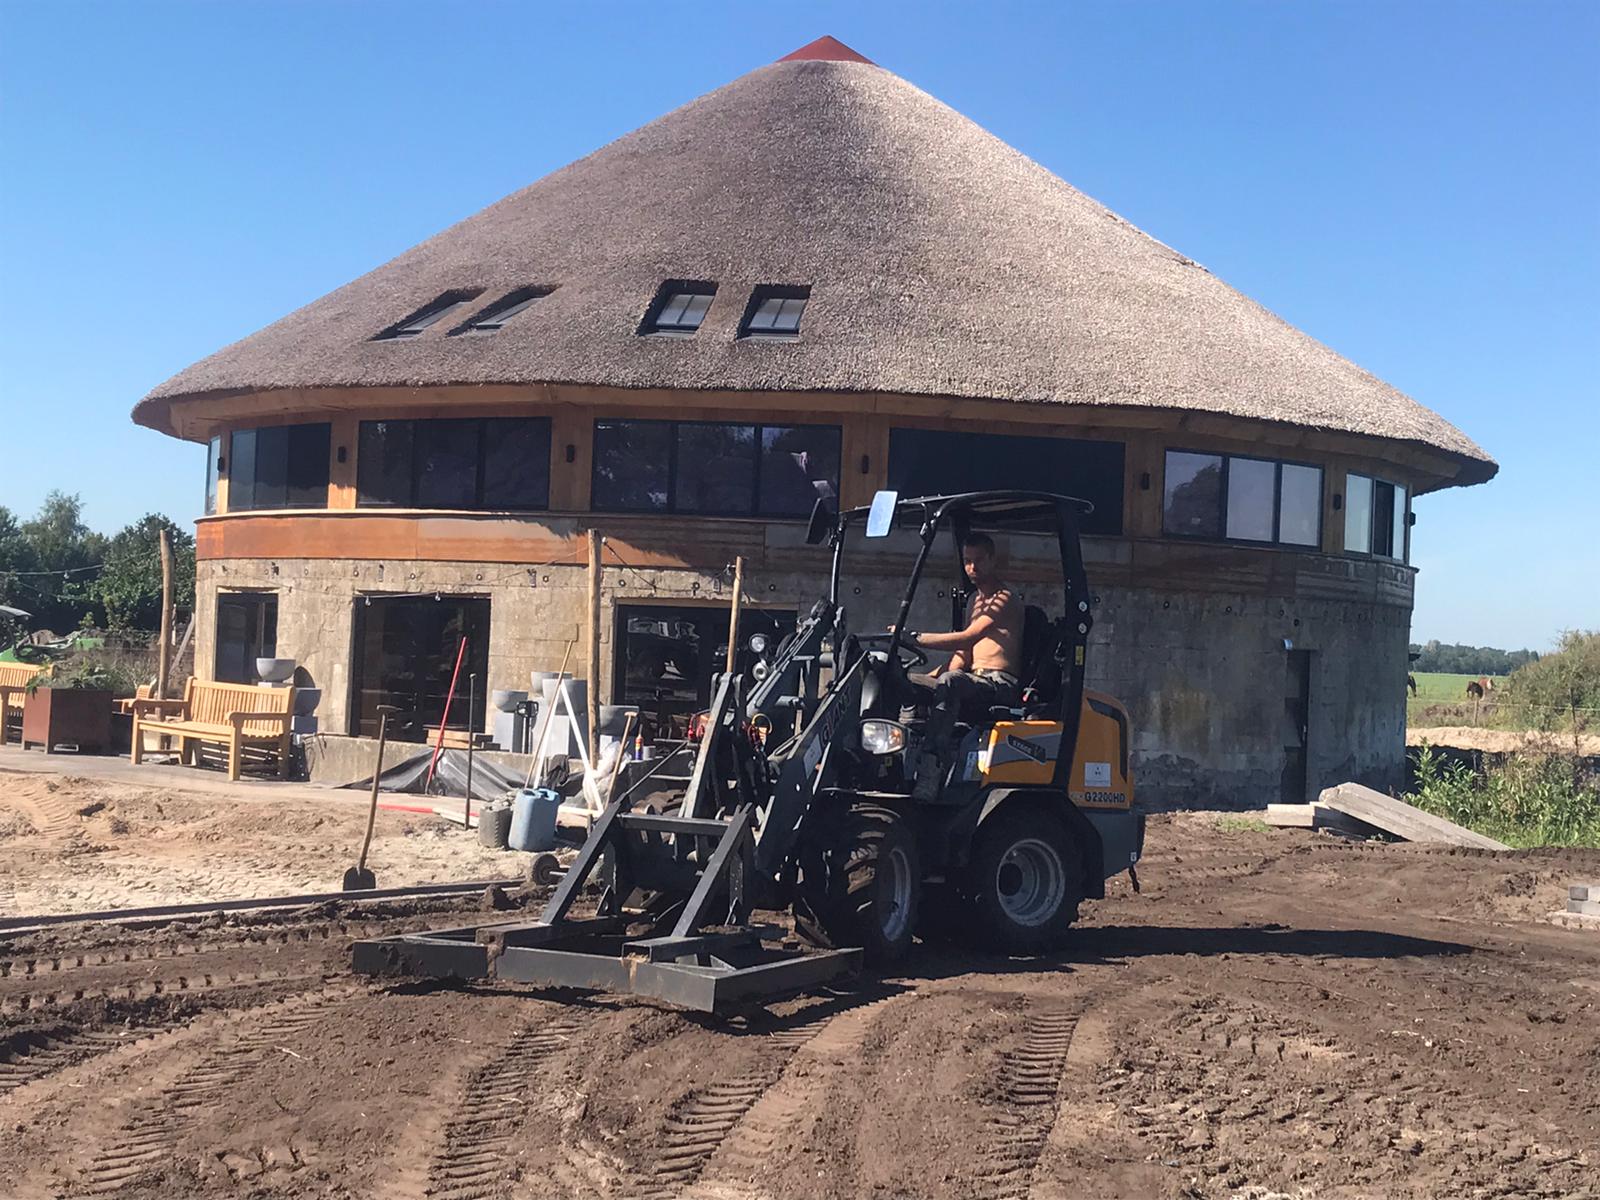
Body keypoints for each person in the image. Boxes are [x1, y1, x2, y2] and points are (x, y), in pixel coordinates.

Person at [891, 532, 1022, 799]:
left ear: (992, 560)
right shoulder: (974, 601)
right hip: (972, 680)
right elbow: (962, 655)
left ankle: (931, 769)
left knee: (951, 682)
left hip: (999, 684)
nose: (972, 567)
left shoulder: (1005, 598)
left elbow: (968, 637)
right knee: (904, 680)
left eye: (978, 560)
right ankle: (896, 761)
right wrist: (925, 679)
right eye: (967, 561)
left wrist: (914, 637)